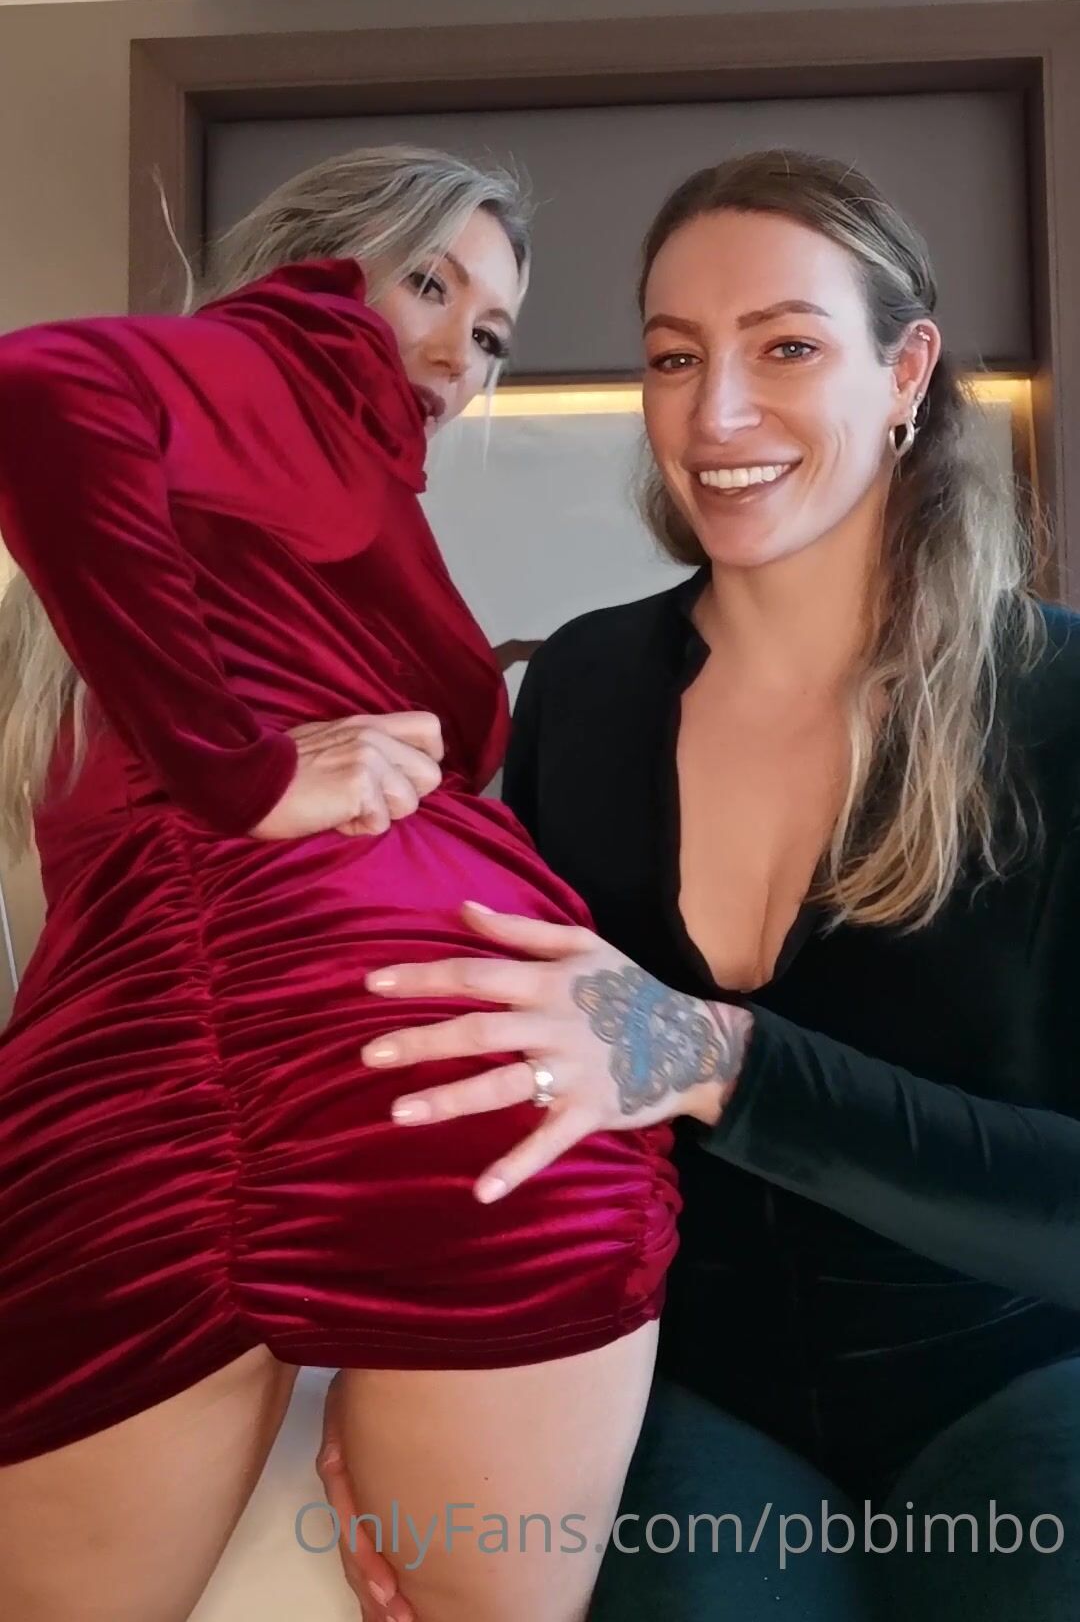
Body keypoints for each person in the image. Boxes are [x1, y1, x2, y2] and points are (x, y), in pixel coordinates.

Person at [320, 149, 1080, 1620]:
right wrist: (402, 1388)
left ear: (905, 370)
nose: (715, 413)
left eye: (785, 347)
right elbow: (491, 1067)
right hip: (688, 1384)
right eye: (675, 357)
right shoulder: (585, 686)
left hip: (1016, 1381)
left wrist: (713, 1055)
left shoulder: (1059, 705)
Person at [0, 145, 686, 1622]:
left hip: (435, 1102)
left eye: (492, 334)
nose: (455, 354)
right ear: (317, 268)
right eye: (427, 282)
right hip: (311, 1104)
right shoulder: (288, 359)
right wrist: (242, 775)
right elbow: (37, 384)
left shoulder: (294, 528)